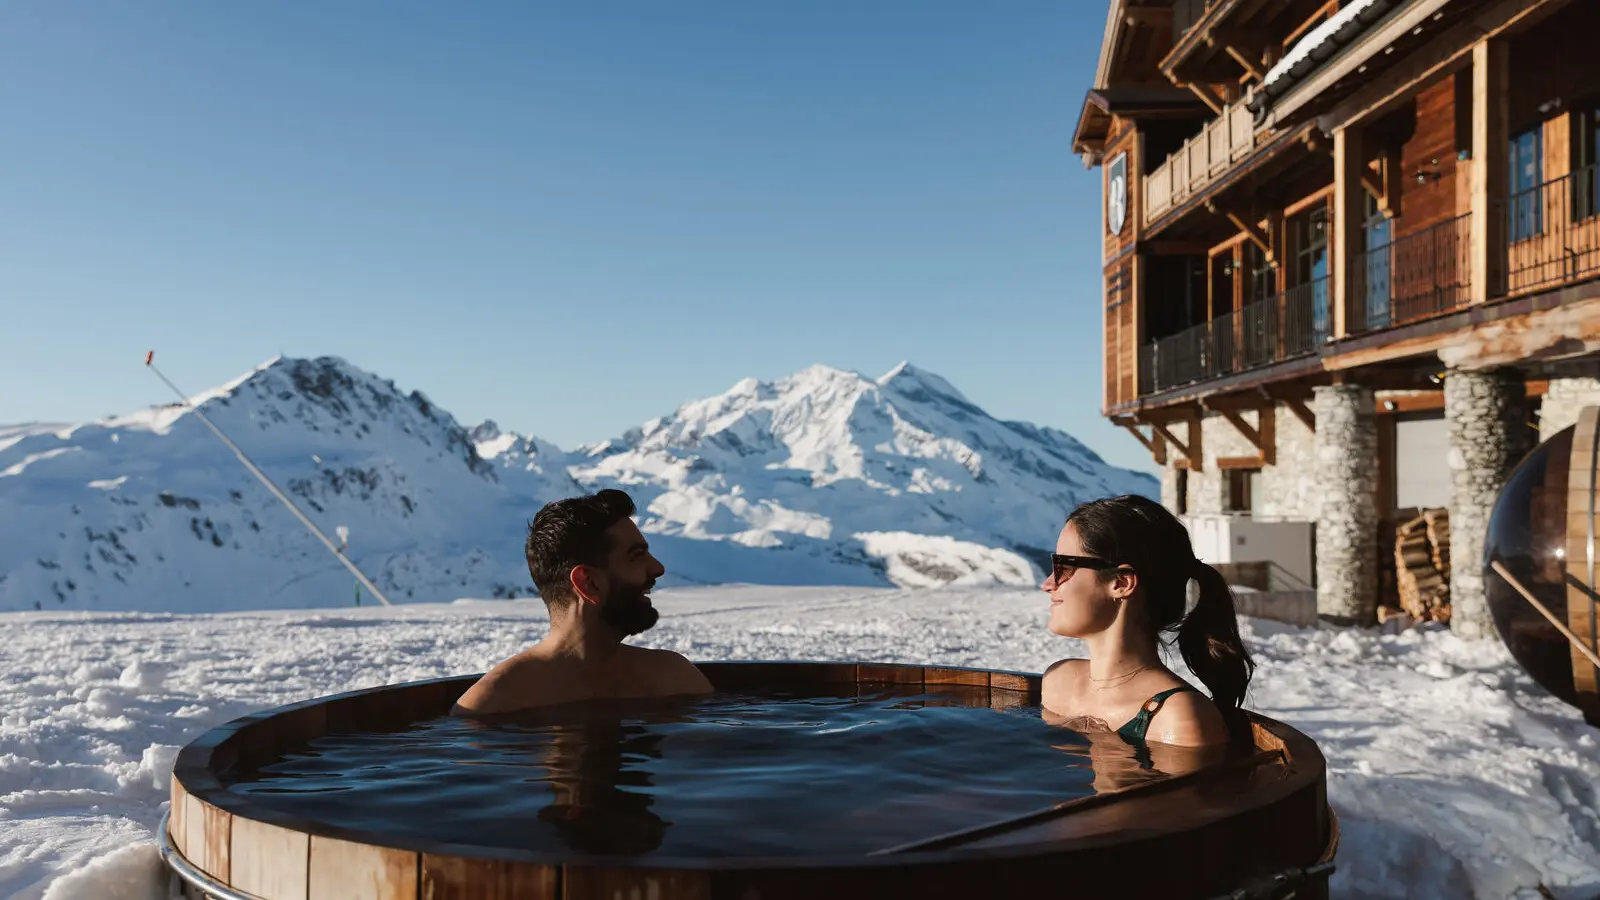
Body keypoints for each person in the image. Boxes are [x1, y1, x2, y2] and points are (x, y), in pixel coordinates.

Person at [1039, 494, 1256, 766]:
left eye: (1063, 567)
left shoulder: (1177, 719)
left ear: (1121, 583)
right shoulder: (1058, 682)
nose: (1048, 584)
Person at [453, 489, 713, 715]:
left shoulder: (675, 677)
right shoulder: (494, 704)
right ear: (588, 583)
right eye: (636, 556)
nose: (658, 568)